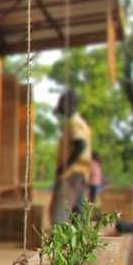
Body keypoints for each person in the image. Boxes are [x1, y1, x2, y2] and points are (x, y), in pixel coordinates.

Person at [51, 91, 92, 224]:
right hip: (78, 172)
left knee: (62, 212)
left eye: (62, 102)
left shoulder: (74, 122)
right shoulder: (77, 122)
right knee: (76, 212)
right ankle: (76, 241)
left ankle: (59, 241)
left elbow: (80, 145)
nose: (60, 106)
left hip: (71, 173)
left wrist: (65, 166)